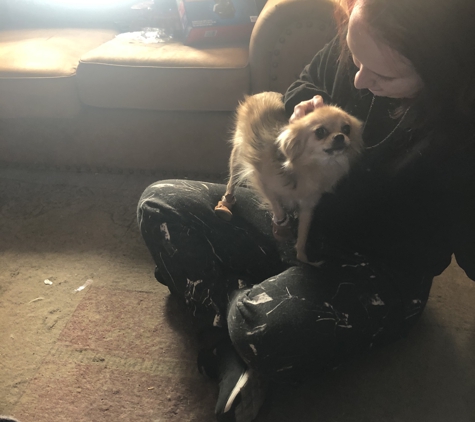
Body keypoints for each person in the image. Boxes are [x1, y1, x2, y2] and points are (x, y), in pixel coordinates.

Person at [137, 0, 475, 420]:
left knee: (260, 326)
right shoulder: (365, 40)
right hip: (297, 220)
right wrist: (300, 107)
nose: (358, 79)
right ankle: (236, 340)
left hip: (377, 270)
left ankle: (228, 317)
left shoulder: (461, 133)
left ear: (445, 68)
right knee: (160, 202)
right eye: (355, 56)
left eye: (384, 75)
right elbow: (306, 81)